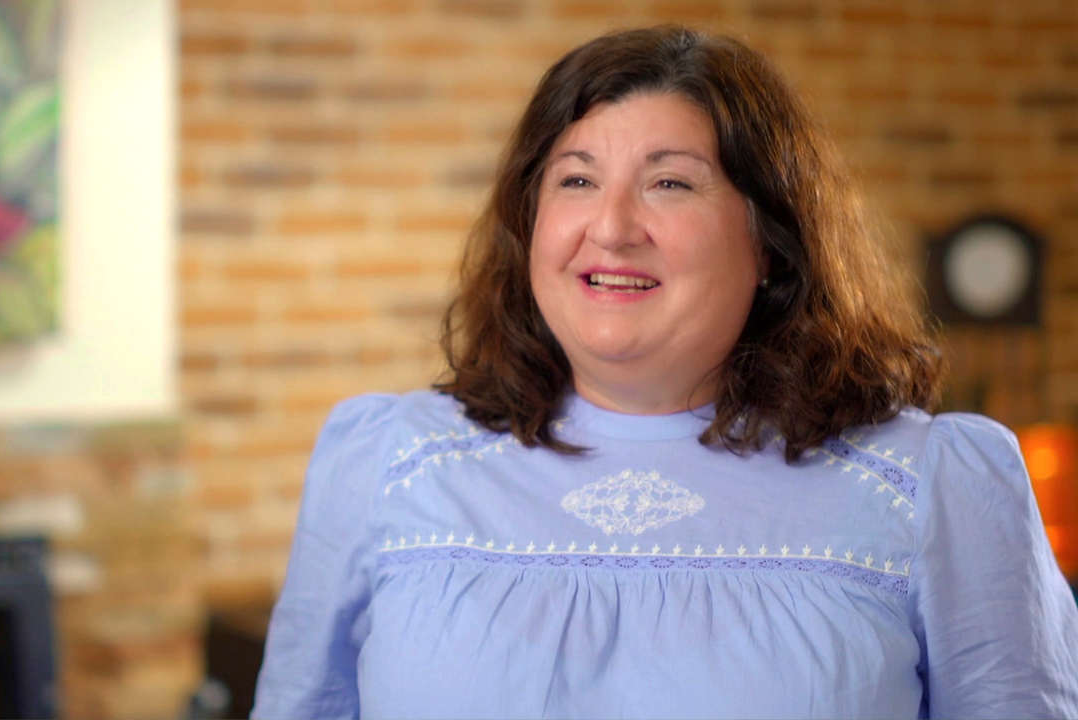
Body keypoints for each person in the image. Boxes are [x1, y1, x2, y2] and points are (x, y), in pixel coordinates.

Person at [251, 25, 1078, 719]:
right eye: (577, 179)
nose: (612, 228)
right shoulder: (384, 461)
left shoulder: (933, 486)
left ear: (769, 242)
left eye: (670, 183)